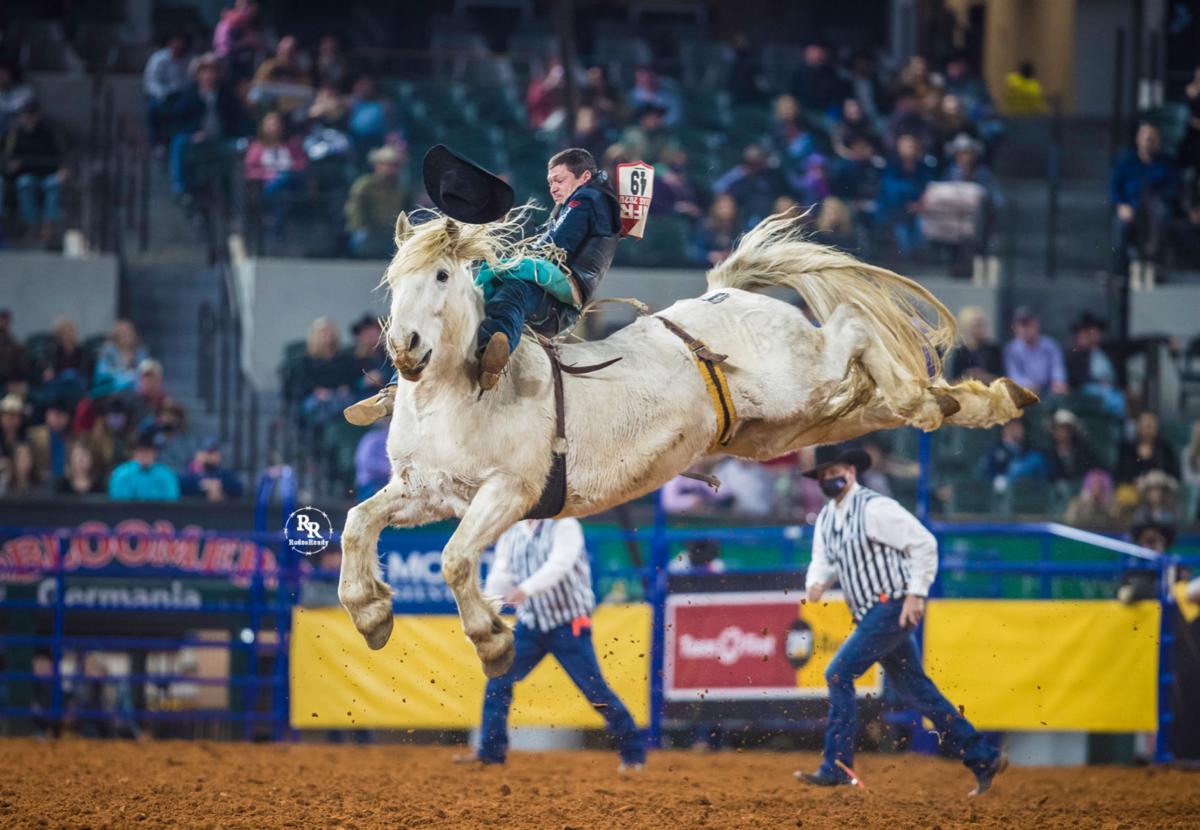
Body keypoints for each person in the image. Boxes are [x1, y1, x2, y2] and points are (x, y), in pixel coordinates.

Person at [346, 145, 622, 422]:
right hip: (549, 280)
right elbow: (544, 241)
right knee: (466, 304)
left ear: (584, 176)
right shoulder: (573, 204)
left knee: (513, 292)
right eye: (550, 182)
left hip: (562, 290)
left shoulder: (587, 200)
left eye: (559, 180)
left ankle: (488, 358)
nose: (553, 188)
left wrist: (507, 251)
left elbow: (556, 244)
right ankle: (396, 387)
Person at [797, 445, 1006, 794]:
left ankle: (836, 765)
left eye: (833, 472)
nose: (828, 479)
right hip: (875, 611)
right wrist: (815, 583)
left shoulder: (876, 508)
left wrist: (916, 593)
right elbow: (823, 559)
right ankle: (982, 755)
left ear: (851, 471)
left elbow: (923, 543)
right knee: (918, 691)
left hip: (891, 606)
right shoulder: (827, 519)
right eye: (823, 475)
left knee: (838, 673)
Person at [460, 517, 646, 770]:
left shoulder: (565, 525)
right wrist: (488, 605)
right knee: (498, 680)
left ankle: (633, 754)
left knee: (595, 692)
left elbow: (559, 565)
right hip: (531, 624)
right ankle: (491, 754)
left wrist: (525, 588)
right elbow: (501, 573)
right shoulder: (511, 532)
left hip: (569, 625)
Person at [1110, 122, 1179, 273]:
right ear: (1138, 139)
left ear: (1158, 140)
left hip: (1155, 207)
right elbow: (1115, 187)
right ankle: (1120, 271)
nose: (1148, 140)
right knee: (1121, 225)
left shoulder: (1167, 163)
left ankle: (1154, 265)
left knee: (1162, 215)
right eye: (1145, 136)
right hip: (1131, 207)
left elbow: (1173, 189)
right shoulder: (1126, 161)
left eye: (1152, 137)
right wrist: (1122, 204)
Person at [2, 101, 67, 240]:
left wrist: (63, 170)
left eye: (31, 115)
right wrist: (12, 166)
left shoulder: (49, 132)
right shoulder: (16, 134)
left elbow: (62, 155)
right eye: (26, 115)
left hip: (48, 174)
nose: (28, 118)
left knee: (53, 184)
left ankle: (48, 226)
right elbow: (9, 159)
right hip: (28, 175)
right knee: (24, 184)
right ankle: (32, 225)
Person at [244, 111, 307, 236]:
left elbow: (302, 164)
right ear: (263, 126)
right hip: (265, 188)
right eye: (270, 124)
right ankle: (278, 229)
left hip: (292, 186)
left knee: (285, 179)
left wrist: (287, 169)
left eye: (277, 124)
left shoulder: (291, 145)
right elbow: (249, 171)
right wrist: (271, 174)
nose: (274, 127)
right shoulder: (256, 147)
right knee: (279, 195)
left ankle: (277, 229)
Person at [344, 145, 408, 258]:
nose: (389, 168)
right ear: (376, 165)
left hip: (391, 231)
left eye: (393, 165)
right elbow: (354, 208)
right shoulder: (365, 185)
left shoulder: (401, 188)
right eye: (384, 164)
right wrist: (359, 226)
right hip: (369, 229)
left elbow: (407, 209)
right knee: (361, 243)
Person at [878, 133, 932, 257]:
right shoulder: (891, 166)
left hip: (918, 209)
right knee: (902, 238)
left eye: (912, 146)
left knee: (922, 229)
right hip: (895, 211)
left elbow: (927, 187)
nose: (910, 148)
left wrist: (921, 202)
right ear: (899, 147)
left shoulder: (922, 167)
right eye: (907, 145)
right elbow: (891, 190)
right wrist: (907, 203)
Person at [1064, 311, 1123, 416]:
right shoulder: (1075, 352)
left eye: (1096, 331)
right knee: (1105, 396)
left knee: (1118, 398)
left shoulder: (1106, 350)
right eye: (1089, 332)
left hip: (1110, 389)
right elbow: (1076, 378)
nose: (1093, 335)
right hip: (1088, 389)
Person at [1002, 307, 1068, 396]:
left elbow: (1057, 367)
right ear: (1016, 329)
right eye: (1022, 325)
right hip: (1025, 392)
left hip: (1050, 389)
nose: (1026, 329)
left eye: (1029, 325)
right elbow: (1014, 375)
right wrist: (1029, 385)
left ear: (1036, 325)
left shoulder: (1050, 345)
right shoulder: (1012, 349)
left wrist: (1058, 381)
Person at [143, 32, 192, 150]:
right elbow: (151, 82)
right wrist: (163, 94)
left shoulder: (188, 59)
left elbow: (189, 81)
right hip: (161, 95)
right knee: (153, 109)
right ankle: (156, 142)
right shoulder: (159, 58)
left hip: (180, 95)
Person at [107, 434, 180, 501]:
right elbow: (116, 503)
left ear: (155, 453)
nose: (145, 455)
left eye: (148, 451)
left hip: (159, 514)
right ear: (134, 453)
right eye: (141, 451)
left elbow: (172, 503)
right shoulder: (121, 474)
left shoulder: (166, 475)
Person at [979, 418, 1048, 486]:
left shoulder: (1034, 453)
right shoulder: (993, 452)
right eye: (1009, 426)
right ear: (1003, 429)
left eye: (1017, 426)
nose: (1013, 430)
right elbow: (985, 475)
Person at [1116, 411, 1179, 485]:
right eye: (1146, 425)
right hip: (1134, 488)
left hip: (1160, 487)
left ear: (1157, 427)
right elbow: (1121, 475)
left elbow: (1174, 476)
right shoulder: (1127, 449)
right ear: (1138, 427)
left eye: (1151, 425)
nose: (1148, 429)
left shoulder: (1166, 449)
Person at [790, 42, 848, 118]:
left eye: (819, 52)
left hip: (827, 113)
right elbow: (793, 94)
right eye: (813, 51)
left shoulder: (831, 74)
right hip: (804, 113)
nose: (817, 55)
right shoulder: (798, 73)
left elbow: (837, 96)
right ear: (806, 53)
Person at [92, 320, 149, 395]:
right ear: (116, 335)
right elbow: (101, 374)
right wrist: (126, 376)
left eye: (129, 332)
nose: (126, 335)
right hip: (110, 393)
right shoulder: (108, 351)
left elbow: (145, 373)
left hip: (136, 394)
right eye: (122, 333)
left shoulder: (140, 351)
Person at [948, 306, 1003, 383]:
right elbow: (953, 380)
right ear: (967, 327)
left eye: (981, 325)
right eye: (975, 325)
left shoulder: (994, 349)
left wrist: (984, 377)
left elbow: (1003, 378)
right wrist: (968, 377)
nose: (979, 329)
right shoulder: (961, 351)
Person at [26, 398, 72, 489]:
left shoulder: (72, 438)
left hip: (65, 484)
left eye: (62, 415)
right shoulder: (33, 436)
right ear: (47, 415)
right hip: (38, 484)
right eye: (56, 415)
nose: (59, 419)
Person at [1047, 409, 1099, 483]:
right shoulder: (1048, 453)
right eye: (1059, 428)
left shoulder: (1084, 452)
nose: (1063, 432)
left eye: (1066, 428)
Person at [690, 194, 740, 266]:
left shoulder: (740, 228)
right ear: (714, 208)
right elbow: (693, 251)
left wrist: (733, 255)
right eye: (722, 207)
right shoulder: (704, 227)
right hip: (705, 269)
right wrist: (709, 255)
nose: (725, 211)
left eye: (728, 207)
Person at [0, 62, 34, 135]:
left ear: (11, 75)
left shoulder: (24, 91)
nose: (1, 78)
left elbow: (29, 109)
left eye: (4, 74)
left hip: (18, 126)